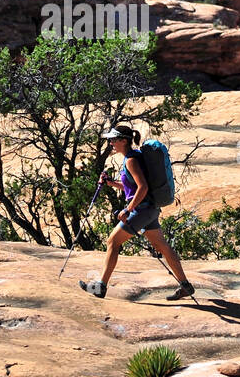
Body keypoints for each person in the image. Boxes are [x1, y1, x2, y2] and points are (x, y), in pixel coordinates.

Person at [79, 124, 195, 301]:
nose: (110, 143)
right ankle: (185, 285)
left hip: (141, 211)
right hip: (150, 210)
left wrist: (128, 209)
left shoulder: (131, 160)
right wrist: (111, 183)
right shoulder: (134, 157)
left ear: (123, 141)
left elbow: (143, 187)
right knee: (162, 246)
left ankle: (100, 287)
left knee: (112, 241)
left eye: (113, 140)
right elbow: (132, 187)